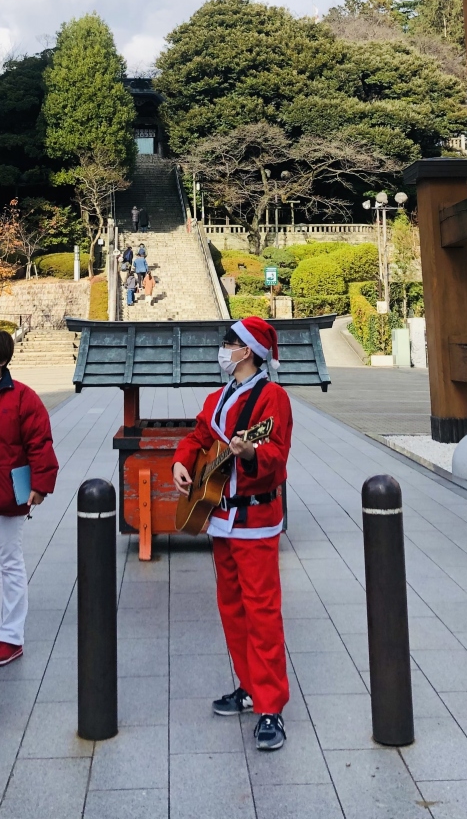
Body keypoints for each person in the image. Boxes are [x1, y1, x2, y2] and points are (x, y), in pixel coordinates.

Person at [171, 317, 292, 753]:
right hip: (219, 516)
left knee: (262, 611)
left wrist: (251, 452)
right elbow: (199, 436)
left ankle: (271, 706)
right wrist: (181, 461)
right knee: (232, 607)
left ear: (247, 351)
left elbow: (276, 454)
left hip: (255, 520)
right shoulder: (219, 396)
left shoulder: (272, 398)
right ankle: (249, 686)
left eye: (230, 342)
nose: (223, 348)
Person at [0, 330, 58, 667]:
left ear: (3, 359)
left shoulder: (23, 396)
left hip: (10, 487)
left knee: (9, 561)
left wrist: (40, 484)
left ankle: (11, 635)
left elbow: (40, 442)